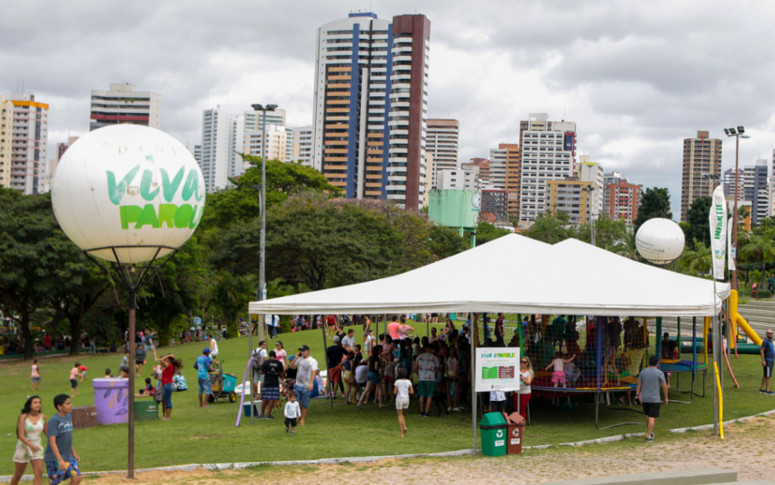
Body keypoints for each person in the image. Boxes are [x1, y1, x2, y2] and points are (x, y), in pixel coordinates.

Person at [44, 394, 81, 485]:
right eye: (68, 404)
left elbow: (67, 438)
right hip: (54, 458)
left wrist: (73, 452)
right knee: (54, 482)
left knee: (77, 478)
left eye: (70, 403)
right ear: (59, 407)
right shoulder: (54, 421)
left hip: (68, 456)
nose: (71, 405)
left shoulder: (68, 417)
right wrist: (59, 460)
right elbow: (52, 442)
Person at [11, 396, 46, 485]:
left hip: (37, 446)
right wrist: (31, 445)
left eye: (39, 402)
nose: (38, 404)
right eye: (35, 402)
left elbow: (47, 433)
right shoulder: (24, 417)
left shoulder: (42, 417)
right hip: (24, 446)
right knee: (19, 474)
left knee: (39, 473)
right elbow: (21, 435)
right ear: (30, 405)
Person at [635, 355, 669, 441]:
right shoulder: (659, 373)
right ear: (657, 363)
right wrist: (666, 397)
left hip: (645, 398)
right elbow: (664, 386)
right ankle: (649, 436)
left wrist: (637, 395)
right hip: (654, 398)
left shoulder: (643, 372)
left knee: (648, 415)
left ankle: (650, 432)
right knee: (652, 417)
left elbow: (639, 384)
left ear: (648, 362)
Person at [289, 345, 318, 426]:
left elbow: (314, 373)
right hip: (298, 384)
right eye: (301, 351)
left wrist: (311, 383)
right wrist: (296, 357)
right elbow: (292, 366)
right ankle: (297, 415)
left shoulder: (312, 361)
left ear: (308, 351)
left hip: (306, 386)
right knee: (295, 402)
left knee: (305, 404)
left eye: (303, 350)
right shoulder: (299, 359)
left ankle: (302, 419)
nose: (302, 352)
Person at [414, 343, 439, 417]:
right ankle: (426, 411)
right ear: (432, 350)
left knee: (421, 394)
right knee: (429, 395)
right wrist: (435, 376)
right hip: (431, 378)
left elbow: (415, 367)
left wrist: (418, 374)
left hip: (422, 378)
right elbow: (436, 370)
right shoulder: (435, 358)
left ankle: (421, 411)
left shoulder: (420, 357)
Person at [260, 350, 285, 418]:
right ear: (275, 356)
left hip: (267, 382)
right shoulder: (279, 363)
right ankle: (268, 414)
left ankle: (262, 414)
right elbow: (282, 374)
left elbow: (261, 372)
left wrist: (266, 371)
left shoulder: (266, 362)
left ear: (269, 355)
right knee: (272, 398)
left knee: (265, 398)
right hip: (275, 383)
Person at [159, 354, 182, 420]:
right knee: (166, 400)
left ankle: (168, 417)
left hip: (167, 384)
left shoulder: (170, 366)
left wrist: (168, 355)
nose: (165, 360)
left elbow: (161, 360)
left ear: (169, 360)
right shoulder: (169, 367)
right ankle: (166, 416)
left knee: (167, 400)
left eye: (167, 359)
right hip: (166, 384)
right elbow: (161, 362)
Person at [394, 368, 414, 438]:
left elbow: (394, 392)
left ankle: (401, 433)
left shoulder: (397, 382)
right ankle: (404, 426)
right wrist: (407, 391)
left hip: (400, 399)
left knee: (399, 415)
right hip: (406, 399)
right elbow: (412, 392)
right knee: (402, 414)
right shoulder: (408, 381)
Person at [760, 329, 774, 395]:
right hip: (768, 360)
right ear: (766, 334)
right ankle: (767, 390)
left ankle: (762, 389)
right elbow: (762, 350)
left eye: (771, 333)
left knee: (765, 375)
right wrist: (763, 360)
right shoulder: (765, 341)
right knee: (768, 376)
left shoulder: (770, 341)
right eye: (769, 333)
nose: (770, 334)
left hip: (771, 360)